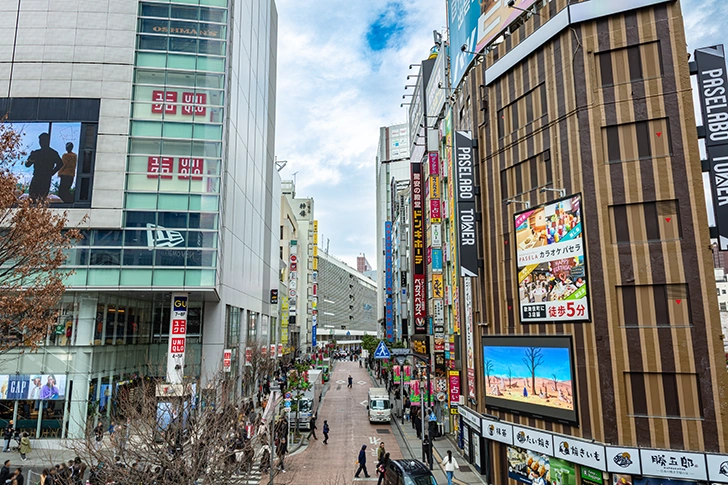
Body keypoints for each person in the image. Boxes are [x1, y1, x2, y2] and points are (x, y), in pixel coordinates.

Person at [25, 133, 63, 201]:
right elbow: (27, 165)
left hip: (42, 177)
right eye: (40, 141)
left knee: (37, 198)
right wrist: (52, 172)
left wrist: (52, 172)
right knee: (37, 198)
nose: (41, 143)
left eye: (42, 141)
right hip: (41, 177)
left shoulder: (48, 153)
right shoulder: (49, 153)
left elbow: (60, 164)